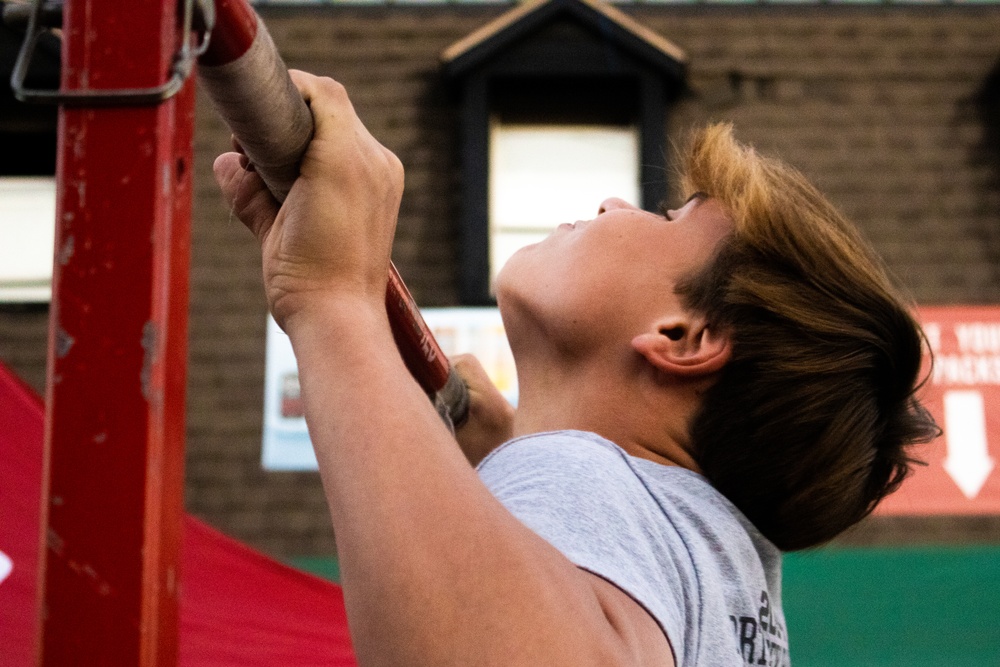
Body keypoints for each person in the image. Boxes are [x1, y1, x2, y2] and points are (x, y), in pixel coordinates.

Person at [214, 71, 938, 667]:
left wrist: (334, 301)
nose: (612, 202)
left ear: (685, 334)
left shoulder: (580, 477)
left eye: (665, 216)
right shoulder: (736, 576)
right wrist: (502, 466)